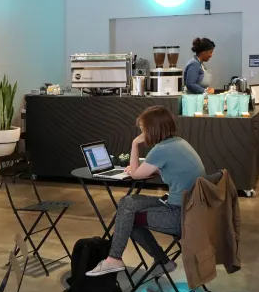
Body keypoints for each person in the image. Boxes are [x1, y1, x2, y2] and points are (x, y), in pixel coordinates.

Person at [86, 107, 206, 278]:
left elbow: (135, 174)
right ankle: (162, 262)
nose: (142, 132)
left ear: (152, 129)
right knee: (128, 203)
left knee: (127, 217)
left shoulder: (161, 150)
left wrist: (135, 144)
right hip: (193, 212)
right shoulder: (179, 143)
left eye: (143, 129)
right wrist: (153, 169)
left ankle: (115, 259)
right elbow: (172, 169)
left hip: (178, 216)